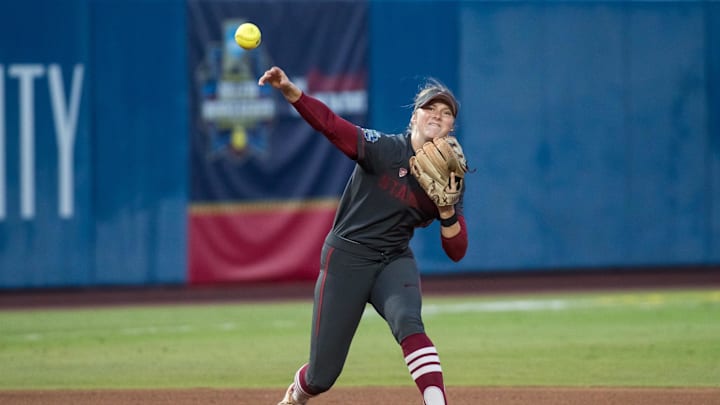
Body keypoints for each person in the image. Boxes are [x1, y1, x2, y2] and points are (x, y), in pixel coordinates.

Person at [258, 66, 468, 405]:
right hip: (347, 260)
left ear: (451, 128)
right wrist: (292, 93)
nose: (437, 115)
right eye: (430, 108)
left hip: (393, 261)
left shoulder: (450, 175)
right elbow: (331, 125)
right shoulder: (384, 149)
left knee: (409, 322)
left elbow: (457, 250)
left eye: (446, 114)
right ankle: (296, 395)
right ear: (414, 117)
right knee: (321, 376)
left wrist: (447, 211)